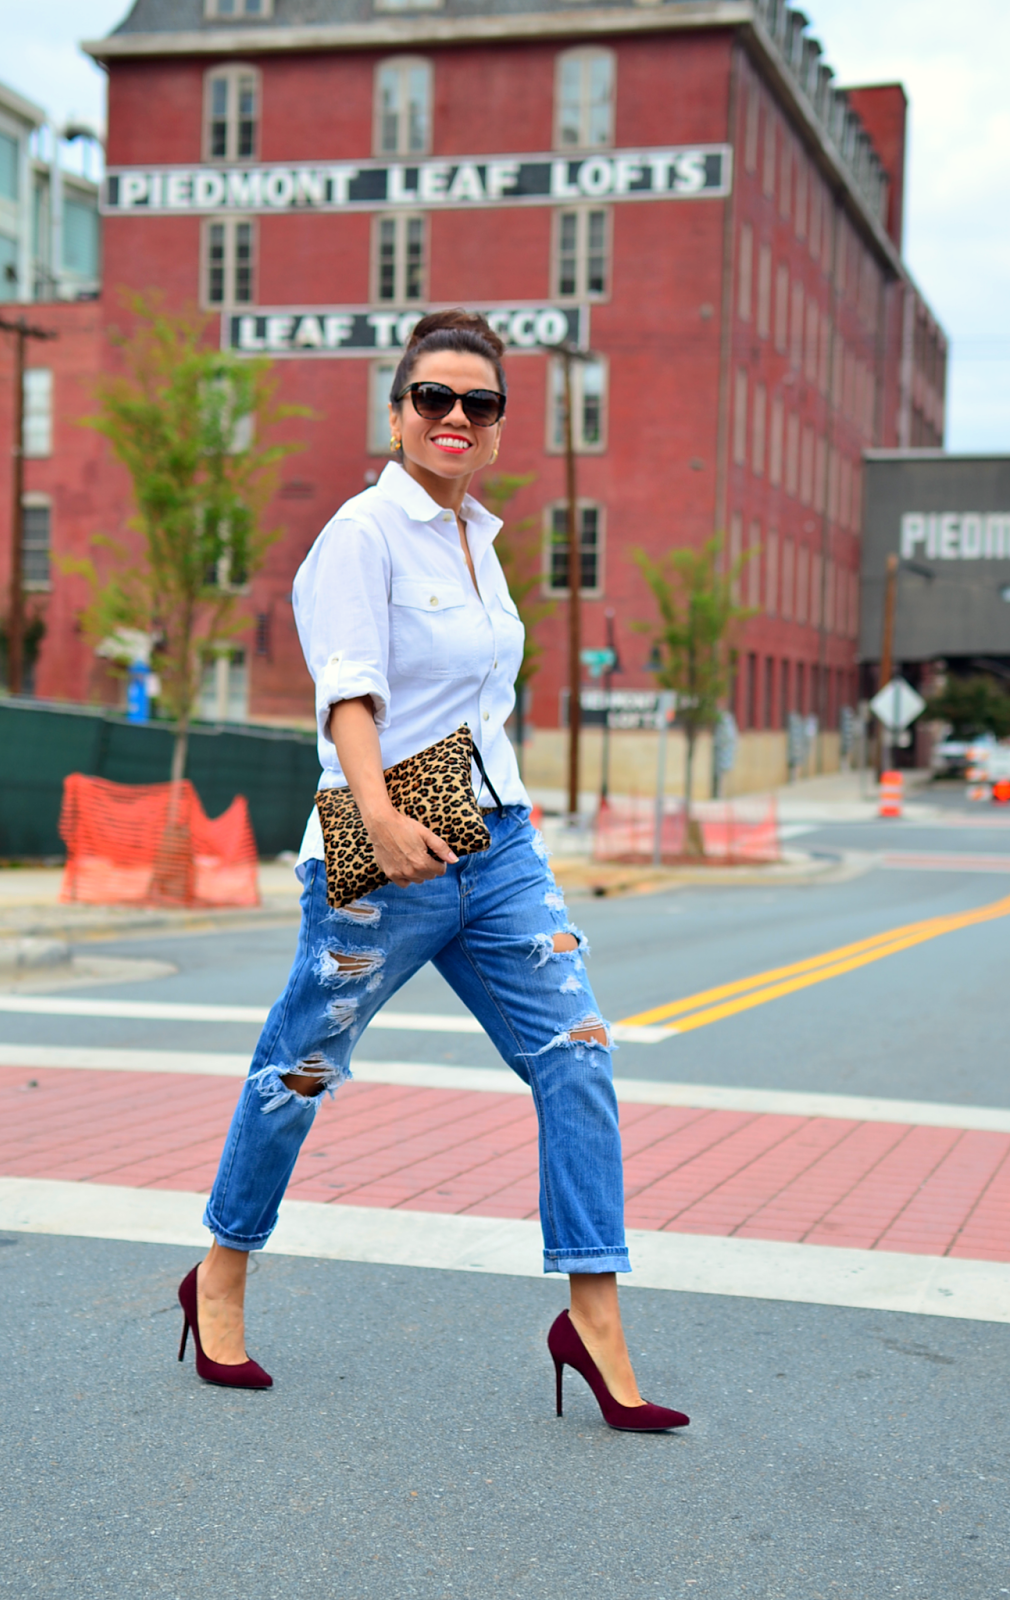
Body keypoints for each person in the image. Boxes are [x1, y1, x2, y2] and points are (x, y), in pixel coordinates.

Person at [176, 309, 689, 1432]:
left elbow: (472, 700)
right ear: (396, 411)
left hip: (495, 846)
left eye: (480, 403)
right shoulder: (362, 533)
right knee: (298, 1070)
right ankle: (220, 1271)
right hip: (383, 850)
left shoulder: (478, 541)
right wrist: (379, 812)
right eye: (434, 400)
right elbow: (348, 690)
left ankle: (592, 1320)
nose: (456, 418)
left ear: (500, 424)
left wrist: (508, 806)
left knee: (579, 1056)